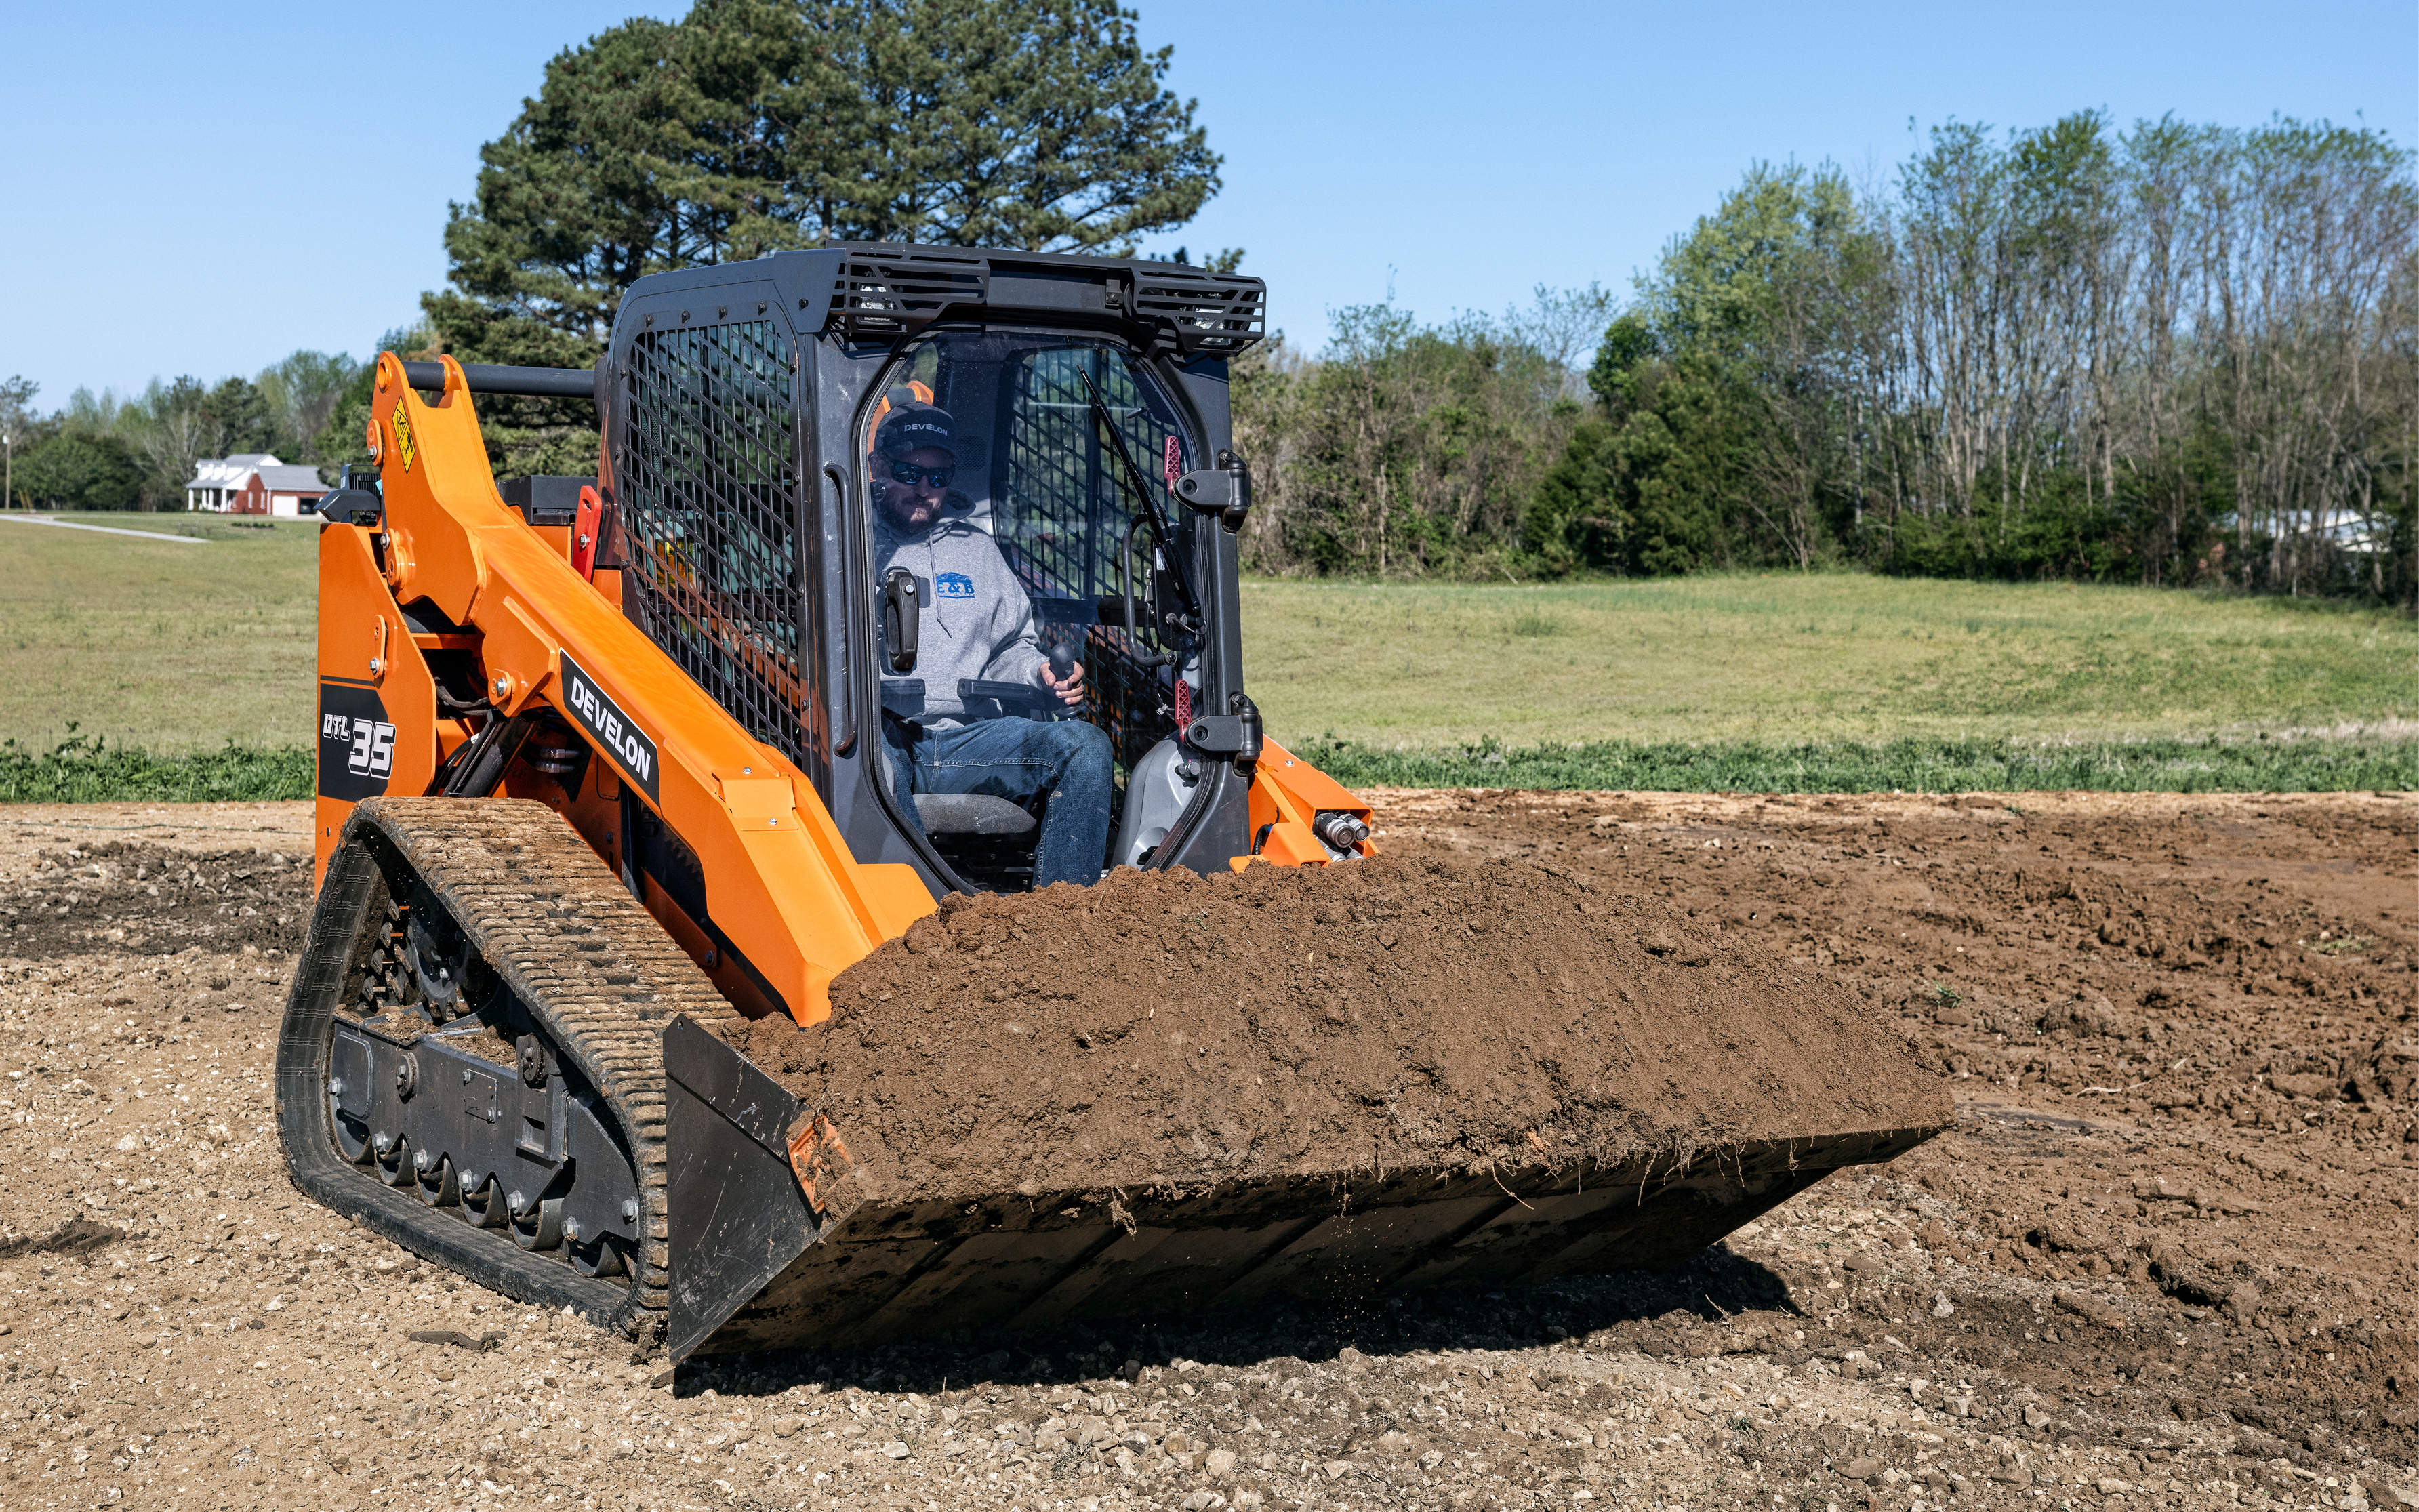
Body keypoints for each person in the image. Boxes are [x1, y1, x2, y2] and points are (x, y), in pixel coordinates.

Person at [870, 401, 1112, 888]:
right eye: (908, 471)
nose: (923, 488)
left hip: (965, 741)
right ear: (877, 468)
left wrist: (1037, 673)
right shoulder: (847, 542)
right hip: (880, 734)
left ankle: (1065, 920)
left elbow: (1010, 646)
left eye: (937, 478)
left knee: (1085, 746)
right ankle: (924, 907)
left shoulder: (976, 550)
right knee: (873, 762)